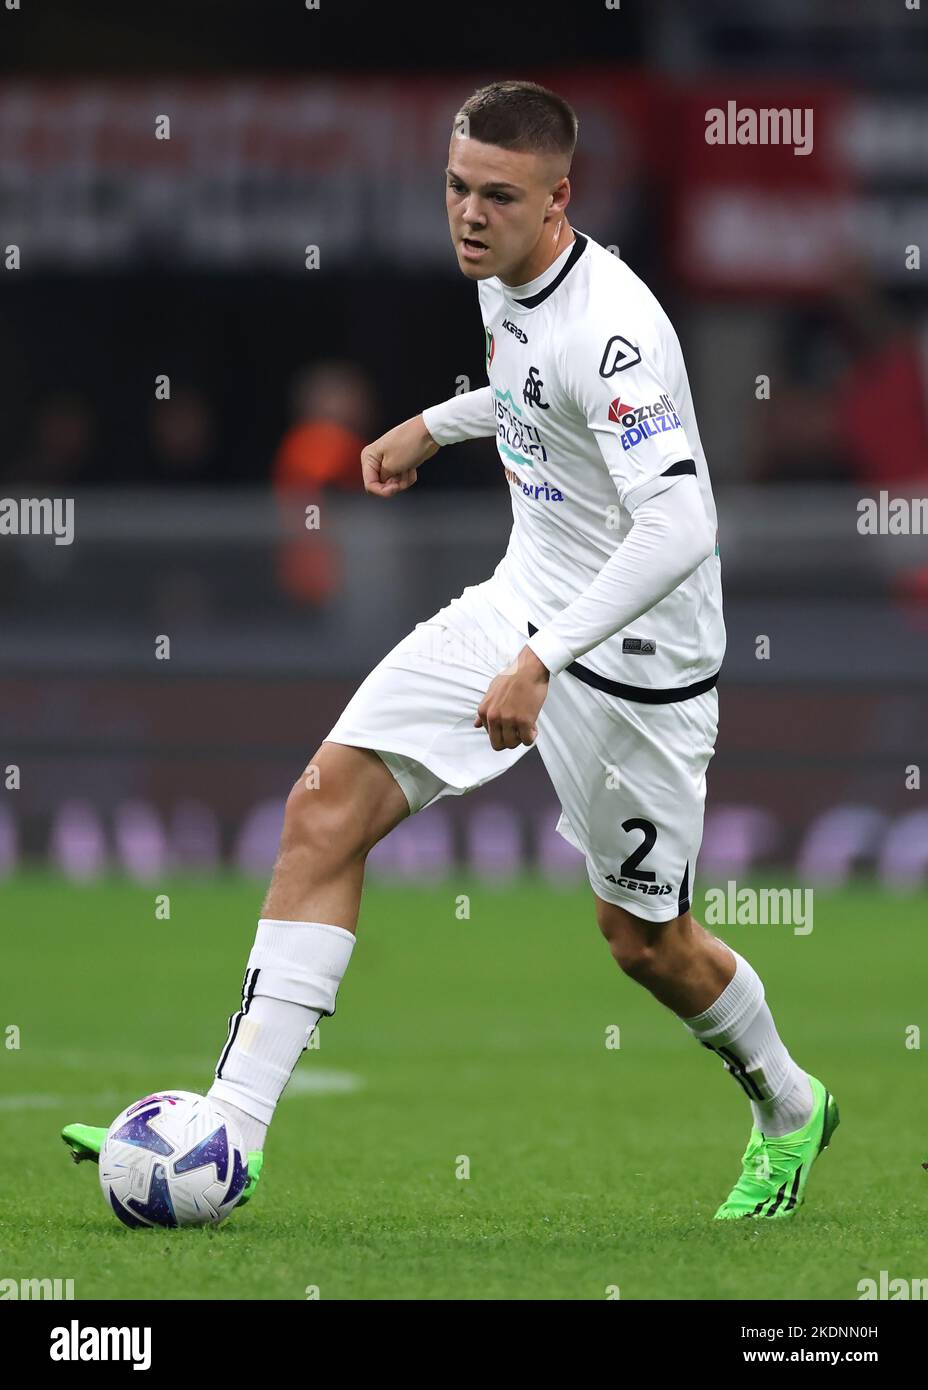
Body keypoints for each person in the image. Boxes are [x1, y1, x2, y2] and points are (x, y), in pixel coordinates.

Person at [63, 79, 838, 1223]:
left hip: (632, 667)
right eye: (456, 187)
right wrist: (441, 422)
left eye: (498, 196)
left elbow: (678, 523)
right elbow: (529, 392)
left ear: (559, 200)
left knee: (642, 942)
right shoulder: (509, 279)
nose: (468, 215)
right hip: (519, 602)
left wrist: (546, 661)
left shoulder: (613, 332)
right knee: (324, 807)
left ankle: (788, 1104)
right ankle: (230, 1127)